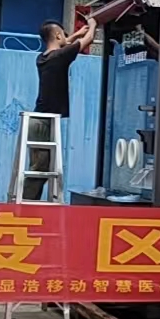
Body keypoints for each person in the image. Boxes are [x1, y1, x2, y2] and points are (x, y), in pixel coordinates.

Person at [22, 17, 96, 201]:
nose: (65, 37)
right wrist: (93, 23)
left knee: (41, 166)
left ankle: (29, 201)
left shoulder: (43, 57)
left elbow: (63, 45)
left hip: (39, 119)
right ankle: (27, 203)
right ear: (57, 35)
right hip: (44, 121)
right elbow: (88, 40)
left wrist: (75, 34)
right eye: (62, 34)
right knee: (40, 168)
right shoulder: (60, 56)